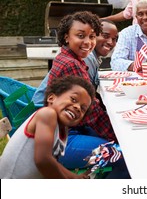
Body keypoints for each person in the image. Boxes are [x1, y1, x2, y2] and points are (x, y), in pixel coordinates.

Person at [31, 11, 129, 178]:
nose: (88, 42)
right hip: (62, 141)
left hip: (69, 130)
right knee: (123, 155)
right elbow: (93, 114)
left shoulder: (69, 58)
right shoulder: (72, 65)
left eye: (92, 37)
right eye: (80, 36)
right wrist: (122, 138)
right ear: (66, 37)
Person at [0, 76, 95, 179]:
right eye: (73, 99)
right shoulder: (47, 114)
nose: (77, 107)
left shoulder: (63, 129)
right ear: (51, 98)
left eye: (83, 108)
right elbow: (43, 161)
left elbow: (52, 162)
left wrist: (74, 177)